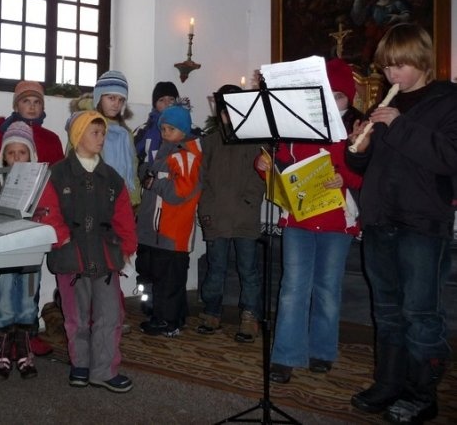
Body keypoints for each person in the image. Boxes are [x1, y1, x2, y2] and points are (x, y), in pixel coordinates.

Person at [346, 23, 457, 424]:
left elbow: (449, 157)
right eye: (387, 66)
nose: (391, 74)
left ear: (422, 60)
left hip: (421, 222)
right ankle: (388, 383)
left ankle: (421, 394)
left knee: (420, 312)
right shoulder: (385, 105)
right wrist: (359, 146)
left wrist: (398, 124)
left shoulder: (448, 101)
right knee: (387, 310)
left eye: (399, 65)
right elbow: (367, 164)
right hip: (380, 219)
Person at [254, 58, 363, 384]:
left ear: (349, 98)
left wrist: (343, 178)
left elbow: (363, 173)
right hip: (298, 218)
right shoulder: (295, 126)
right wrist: (263, 165)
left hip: (336, 220)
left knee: (327, 288)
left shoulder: (356, 128)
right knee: (292, 288)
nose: (332, 100)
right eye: (326, 92)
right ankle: (286, 355)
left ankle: (322, 351)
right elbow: (279, 163)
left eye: (339, 95)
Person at [35, 110, 137, 392]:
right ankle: (80, 365)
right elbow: (46, 211)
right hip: (72, 256)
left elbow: (124, 216)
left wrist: (127, 246)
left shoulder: (112, 177)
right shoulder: (57, 174)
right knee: (76, 317)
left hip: (106, 256)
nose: (101, 138)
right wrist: (63, 238)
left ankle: (103, 370)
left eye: (103, 133)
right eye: (95, 133)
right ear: (78, 136)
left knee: (110, 315)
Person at [0, 80, 62, 356]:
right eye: (26, 101)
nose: (32, 106)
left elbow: (58, 178)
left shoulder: (51, 139)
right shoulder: (2, 135)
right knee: (5, 284)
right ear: (16, 105)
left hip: (34, 226)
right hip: (4, 226)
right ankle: (6, 339)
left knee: (29, 285)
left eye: (37, 102)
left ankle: (28, 335)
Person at [196, 84, 266, 342]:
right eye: (224, 108)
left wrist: (249, 201)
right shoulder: (210, 141)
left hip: (245, 215)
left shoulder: (256, 141)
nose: (228, 113)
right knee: (216, 267)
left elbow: (260, 178)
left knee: (248, 269)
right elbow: (202, 180)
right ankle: (212, 311)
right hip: (216, 216)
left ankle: (249, 316)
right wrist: (207, 209)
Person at [0, 121, 44, 381]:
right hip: (2, 252)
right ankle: (3, 353)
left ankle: (25, 352)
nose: (17, 158)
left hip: (30, 250)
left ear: (31, 155)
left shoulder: (41, 181)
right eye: (11, 152)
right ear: (3, 156)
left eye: (22, 152)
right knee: (5, 302)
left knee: (28, 304)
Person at [136, 102, 203, 337]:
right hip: (156, 230)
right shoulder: (164, 153)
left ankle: (168, 322)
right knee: (159, 276)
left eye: (171, 129)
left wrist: (154, 182)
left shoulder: (186, 156)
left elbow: (180, 192)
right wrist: (146, 172)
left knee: (169, 280)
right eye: (163, 129)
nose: (165, 133)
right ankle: (167, 316)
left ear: (184, 130)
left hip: (173, 231)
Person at [69, 70, 141, 206]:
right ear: (99, 97)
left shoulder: (125, 133)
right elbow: (72, 162)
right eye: (111, 98)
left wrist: (134, 199)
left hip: (121, 199)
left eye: (121, 100)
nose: (116, 104)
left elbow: (133, 166)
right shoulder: (84, 125)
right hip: (91, 199)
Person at [350, 0, 411, 65]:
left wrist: (398, 17)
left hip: (392, 37)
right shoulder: (372, 7)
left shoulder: (396, 3)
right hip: (377, 39)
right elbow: (358, 14)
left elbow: (407, 15)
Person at [134, 80, 179, 172]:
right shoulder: (142, 131)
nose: (167, 103)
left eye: (171, 99)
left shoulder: (190, 130)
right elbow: (132, 160)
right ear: (155, 104)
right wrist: (144, 174)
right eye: (161, 100)